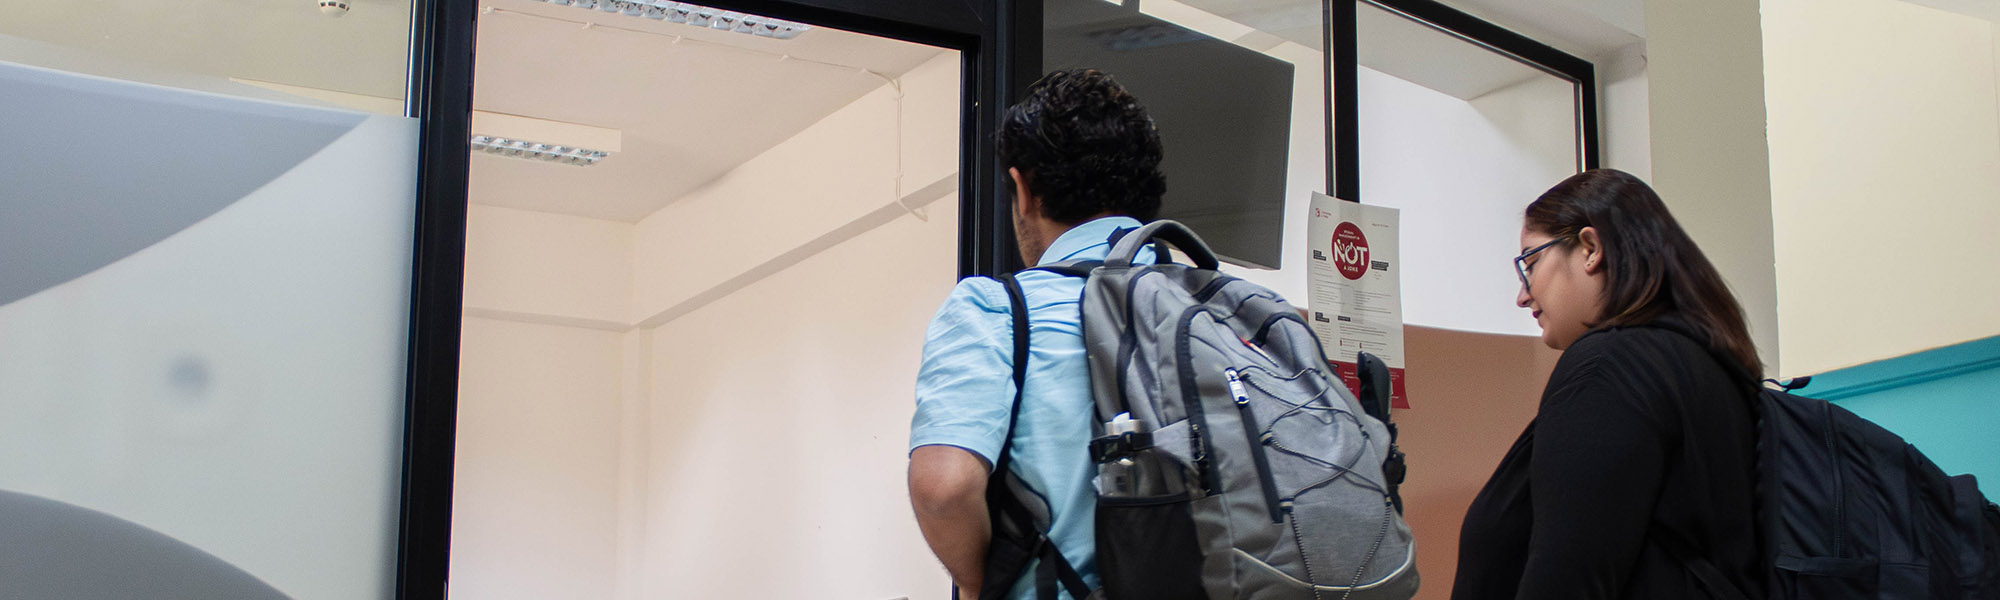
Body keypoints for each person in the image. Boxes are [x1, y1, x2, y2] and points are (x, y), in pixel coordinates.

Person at [906, 68, 1164, 600]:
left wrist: (985, 585)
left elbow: (942, 488)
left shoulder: (995, 308)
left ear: (1023, 190)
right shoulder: (1237, 309)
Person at [1452, 168, 1765, 599]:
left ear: (1590, 248)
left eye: (1531, 261)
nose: (1522, 295)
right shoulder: (1712, 366)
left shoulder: (1608, 367)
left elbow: (1567, 583)